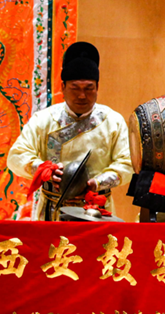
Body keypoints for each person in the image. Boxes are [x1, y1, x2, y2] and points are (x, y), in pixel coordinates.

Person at [8, 42, 133, 220]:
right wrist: (45, 170)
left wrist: (97, 183)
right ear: (63, 87)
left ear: (97, 88)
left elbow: (128, 163)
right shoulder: (44, 119)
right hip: (52, 209)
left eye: (89, 88)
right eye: (75, 88)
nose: (82, 95)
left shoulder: (113, 121)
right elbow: (16, 156)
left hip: (96, 209)